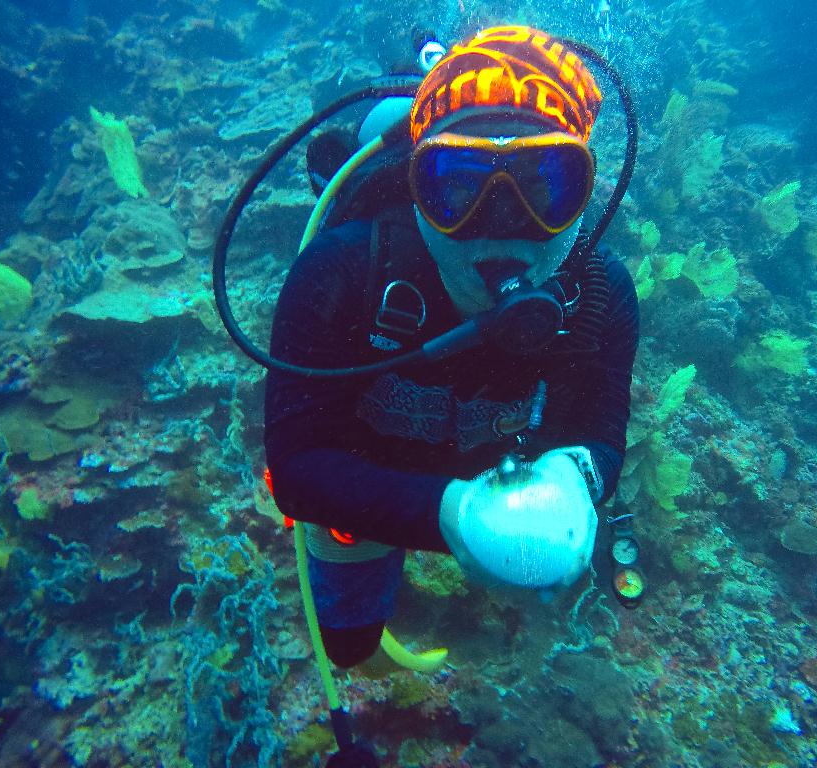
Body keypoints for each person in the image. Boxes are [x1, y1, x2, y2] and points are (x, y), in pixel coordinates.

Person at [263, 25, 639, 669]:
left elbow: (603, 430)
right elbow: (297, 468)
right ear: (415, 190)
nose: (502, 220)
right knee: (347, 649)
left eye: (545, 181)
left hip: (497, 477)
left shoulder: (602, 295)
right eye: (457, 184)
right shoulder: (344, 272)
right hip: (363, 480)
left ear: (586, 198)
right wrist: (451, 513)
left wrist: (576, 474)